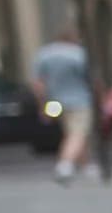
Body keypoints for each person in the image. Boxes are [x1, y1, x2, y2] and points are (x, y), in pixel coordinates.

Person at [30, 23, 95, 181]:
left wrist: (42, 106)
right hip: (79, 100)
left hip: (54, 103)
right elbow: (92, 79)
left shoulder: (44, 54)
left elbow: (38, 84)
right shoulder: (78, 54)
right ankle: (65, 165)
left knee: (71, 132)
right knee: (78, 133)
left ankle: (86, 166)